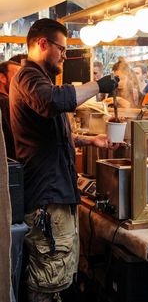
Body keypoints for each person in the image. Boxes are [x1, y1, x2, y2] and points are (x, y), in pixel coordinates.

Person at [9, 18, 119, 302]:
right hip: (47, 198)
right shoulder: (28, 77)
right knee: (49, 282)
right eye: (61, 48)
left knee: (61, 274)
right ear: (42, 44)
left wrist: (90, 140)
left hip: (58, 195)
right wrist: (99, 84)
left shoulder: (40, 80)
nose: (65, 55)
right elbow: (55, 102)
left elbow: (55, 134)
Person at [0, 61, 21, 159]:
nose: (21, 81)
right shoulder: (5, 102)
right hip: (12, 165)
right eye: (17, 76)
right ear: (2, 78)